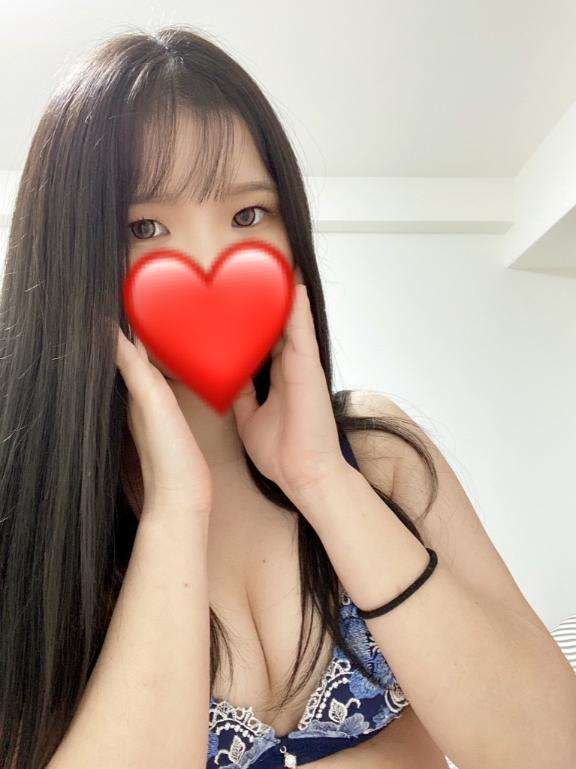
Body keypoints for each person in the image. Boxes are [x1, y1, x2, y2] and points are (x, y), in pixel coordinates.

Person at [2, 24, 574, 769]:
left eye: (248, 215)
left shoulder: (378, 456)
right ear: (67, 257)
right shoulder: (33, 524)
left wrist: (323, 481)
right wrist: (177, 508)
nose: (209, 258)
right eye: (145, 225)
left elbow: (552, 749)